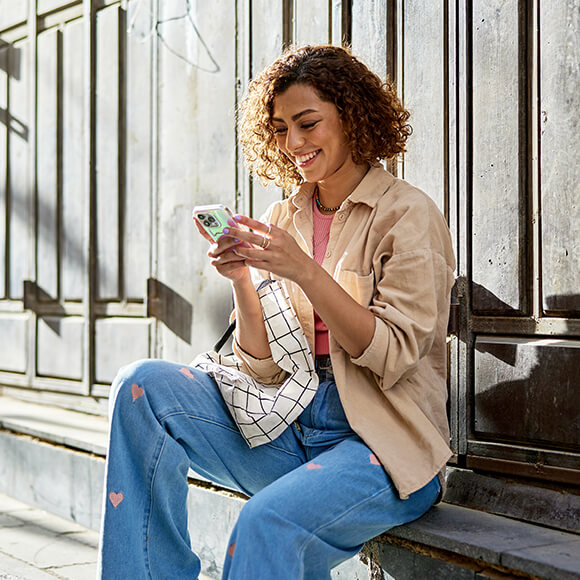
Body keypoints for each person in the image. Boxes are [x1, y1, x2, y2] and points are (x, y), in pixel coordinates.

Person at [98, 44, 456, 579]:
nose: (293, 143)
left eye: (308, 123)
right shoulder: (282, 217)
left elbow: (396, 356)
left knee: (262, 524)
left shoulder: (406, 213)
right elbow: (263, 368)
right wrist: (243, 280)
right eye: (282, 128)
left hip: (382, 445)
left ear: (353, 116)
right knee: (140, 387)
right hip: (287, 424)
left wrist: (306, 272)